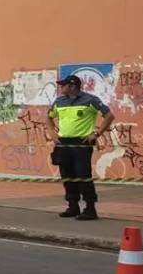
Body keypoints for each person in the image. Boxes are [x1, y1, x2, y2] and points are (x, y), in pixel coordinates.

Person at [47, 75, 114, 220]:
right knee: (67, 175)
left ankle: (90, 208)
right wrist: (52, 133)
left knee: (83, 175)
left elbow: (109, 116)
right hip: (64, 143)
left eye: (63, 85)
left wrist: (96, 133)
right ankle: (73, 206)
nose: (61, 88)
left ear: (72, 86)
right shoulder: (59, 101)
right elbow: (49, 117)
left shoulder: (90, 100)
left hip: (81, 143)